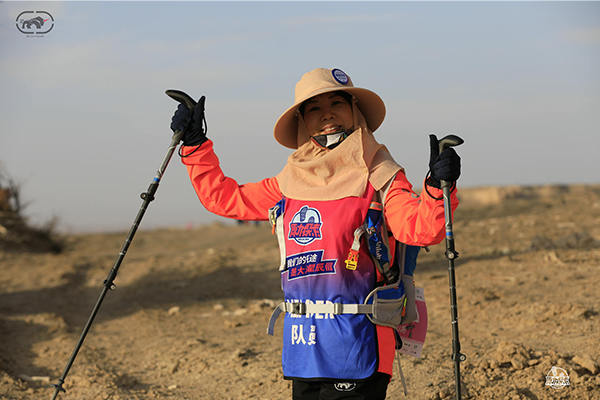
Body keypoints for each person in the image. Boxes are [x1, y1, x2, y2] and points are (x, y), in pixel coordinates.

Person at [170, 68, 461, 400]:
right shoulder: (288, 183)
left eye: (337, 103)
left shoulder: (382, 176)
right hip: (304, 345)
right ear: (302, 121)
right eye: (314, 108)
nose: (327, 114)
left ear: (355, 110)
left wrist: (437, 189)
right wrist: (195, 145)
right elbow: (224, 198)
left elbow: (420, 228)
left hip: (360, 341)